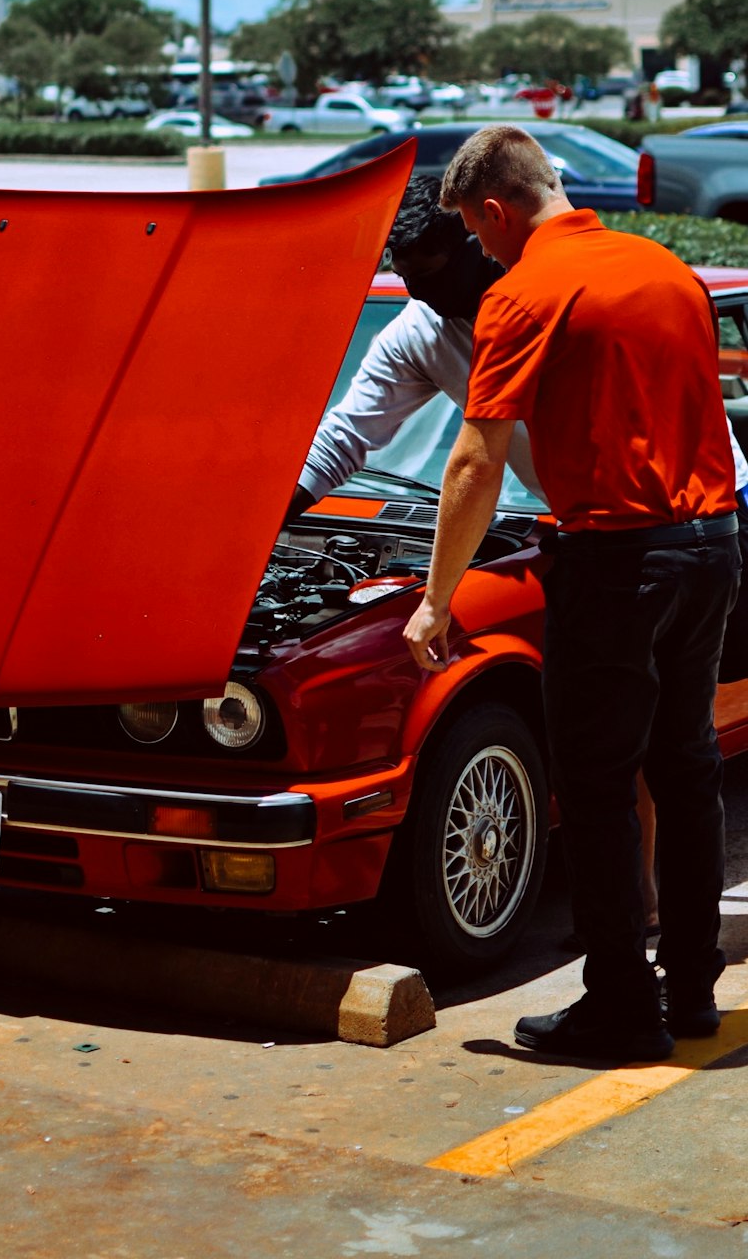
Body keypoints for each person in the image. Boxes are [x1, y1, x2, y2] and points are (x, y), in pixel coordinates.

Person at [403, 125, 740, 1063]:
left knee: (593, 785)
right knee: (686, 771)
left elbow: (474, 460)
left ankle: (622, 1007)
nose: (482, 251)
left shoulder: (523, 292)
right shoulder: (668, 269)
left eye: (478, 232)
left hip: (616, 561)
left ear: (497, 210)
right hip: (709, 547)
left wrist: (437, 599)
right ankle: (692, 990)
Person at [286, 175, 542, 521]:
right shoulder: (419, 332)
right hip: (575, 522)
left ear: (476, 243)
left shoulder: (550, 299)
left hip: (629, 514)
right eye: (407, 278)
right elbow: (341, 440)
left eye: (430, 275)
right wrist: (256, 533)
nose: (421, 293)